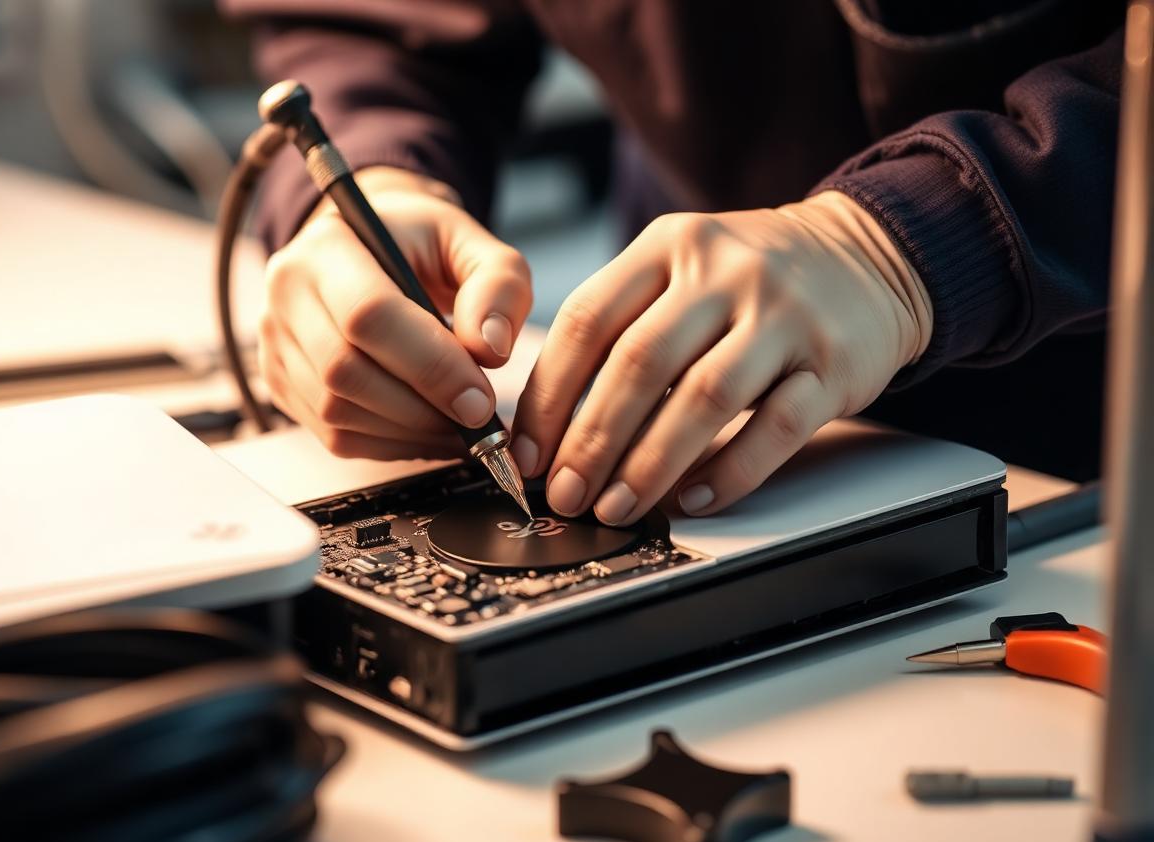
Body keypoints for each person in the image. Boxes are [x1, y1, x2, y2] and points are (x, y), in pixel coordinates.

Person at [222, 0, 1122, 525]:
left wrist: (914, 245)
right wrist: (378, 174)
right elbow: (369, 25)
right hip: (691, 414)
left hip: (1100, 460)